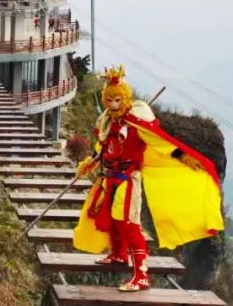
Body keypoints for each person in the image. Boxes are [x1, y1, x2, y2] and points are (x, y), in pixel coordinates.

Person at [72, 66, 224, 291]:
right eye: (109, 100)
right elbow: (103, 147)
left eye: (117, 100)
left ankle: (141, 275)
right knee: (112, 219)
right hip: (109, 176)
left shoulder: (136, 124)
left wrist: (184, 157)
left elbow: (160, 143)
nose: (113, 104)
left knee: (129, 223)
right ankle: (118, 254)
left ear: (125, 99)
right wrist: (90, 162)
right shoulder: (107, 122)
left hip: (127, 179)